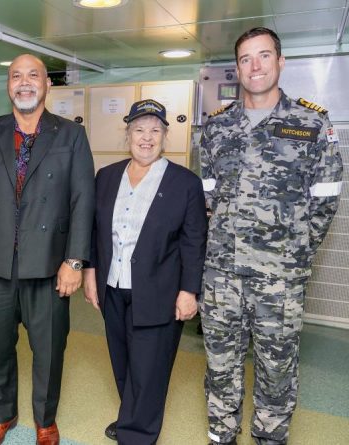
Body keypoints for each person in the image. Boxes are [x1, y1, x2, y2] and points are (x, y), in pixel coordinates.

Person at [199, 27, 343, 445]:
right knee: (220, 366)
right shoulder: (218, 127)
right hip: (222, 276)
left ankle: (269, 439)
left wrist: (294, 253)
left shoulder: (311, 123)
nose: (255, 66)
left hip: (280, 279)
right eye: (246, 58)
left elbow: (326, 199)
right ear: (238, 68)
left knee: (277, 368)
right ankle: (221, 436)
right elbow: (207, 196)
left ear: (280, 62)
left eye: (264, 56)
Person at [0, 54, 95, 445]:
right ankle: (3, 414)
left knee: (49, 351)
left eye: (33, 75)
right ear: (9, 85)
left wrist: (75, 260)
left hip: (49, 265)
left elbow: (84, 200)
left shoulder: (70, 135)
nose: (25, 82)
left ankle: (45, 421)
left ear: (47, 84)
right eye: (16, 76)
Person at [82, 99, 206, 445]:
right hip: (113, 287)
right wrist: (90, 272)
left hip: (160, 291)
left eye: (155, 130)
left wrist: (189, 291)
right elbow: (94, 230)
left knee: (149, 368)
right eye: (139, 130)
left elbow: (194, 241)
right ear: (128, 134)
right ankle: (131, 416)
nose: (146, 138)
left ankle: (137, 434)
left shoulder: (185, 183)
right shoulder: (107, 177)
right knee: (122, 361)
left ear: (166, 135)